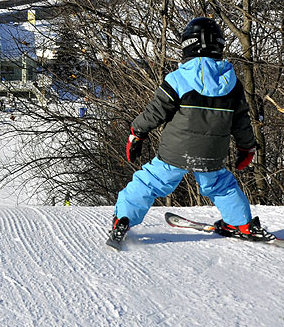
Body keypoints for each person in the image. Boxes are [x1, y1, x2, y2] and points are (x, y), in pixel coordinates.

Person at [108, 17, 268, 246]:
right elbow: (241, 122)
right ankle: (242, 224)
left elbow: (155, 112)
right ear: (219, 45)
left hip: (175, 151)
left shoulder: (178, 78)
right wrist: (247, 147)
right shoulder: (233, 84)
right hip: (212, 153)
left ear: (187, 45)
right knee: (221, 185)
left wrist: (137, 132)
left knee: (150, 182)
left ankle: (123, 218)